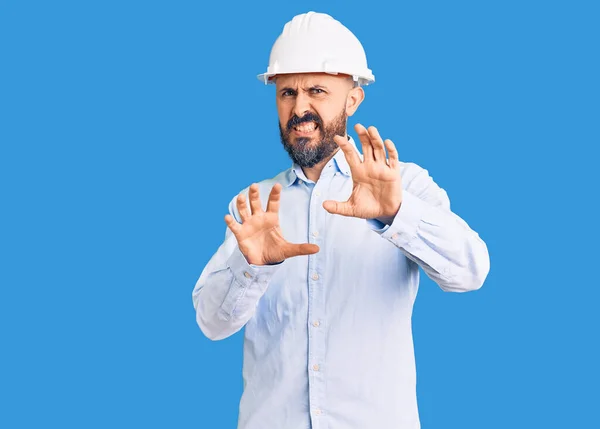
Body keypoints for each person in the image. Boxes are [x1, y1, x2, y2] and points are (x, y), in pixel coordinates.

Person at [192, 11, 490, 429]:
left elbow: (471, 271)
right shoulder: (255, 205)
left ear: (353, 99)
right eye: (287, 93)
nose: (300, 108)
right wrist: (251, 267)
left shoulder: (403, 185)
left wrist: (396, 213)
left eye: (317, 90)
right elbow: (211, 323)